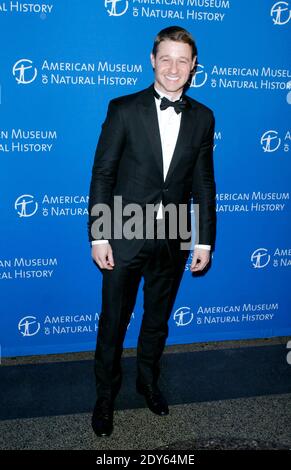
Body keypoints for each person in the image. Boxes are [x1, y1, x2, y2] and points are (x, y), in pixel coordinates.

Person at [88, 26, 216, 437]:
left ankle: (148, 383)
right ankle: (105, 397)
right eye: (166, 58)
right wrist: (99, 235)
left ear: (194, 66)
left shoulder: (203, 117)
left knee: (157, 320)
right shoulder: (123, 108)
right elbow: (103, 174)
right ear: (152, 60)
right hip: (124, 228)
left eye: (183, 60)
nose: (174, 67)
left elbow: (204, 184)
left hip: (176, 232)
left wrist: (205, 239)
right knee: (113, 320)